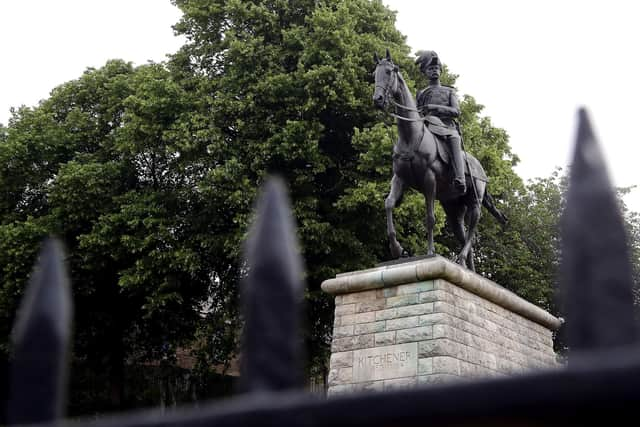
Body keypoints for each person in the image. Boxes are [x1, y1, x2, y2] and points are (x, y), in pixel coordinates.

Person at [415, 51, 466, 194]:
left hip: (446, 127)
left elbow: (456, 111)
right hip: (427, 127)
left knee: (454, 139)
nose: (434, 71)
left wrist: (434, 108)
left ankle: (460, 178)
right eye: (430, 69)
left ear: (441, 70)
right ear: (425, 72)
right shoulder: (421, 93)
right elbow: (416, 113)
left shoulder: (449, 91)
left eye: (436, 68)